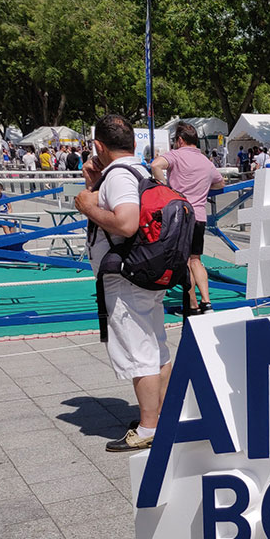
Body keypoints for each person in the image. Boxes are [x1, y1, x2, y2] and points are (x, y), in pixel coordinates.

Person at [76, 114, 173, 452]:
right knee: (156, 347)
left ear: (99, 146)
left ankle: (148, 427)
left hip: (126, 275)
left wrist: (87, 204)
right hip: (148, 270)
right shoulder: (141, 169)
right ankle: (160, 415)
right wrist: (94, 184)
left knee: (138, 353)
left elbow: (127, 223)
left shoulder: (118, 177)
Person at [150, 121, 223, 316]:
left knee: (182, 262)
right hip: (199, 215)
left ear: (180, 140)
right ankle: (206, 302)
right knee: (196, 260)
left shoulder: (176, 155)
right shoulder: (206, 161)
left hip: (180, 215)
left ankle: (192, 305)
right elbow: (220, 182)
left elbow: (155, 165)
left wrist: (165, 187)